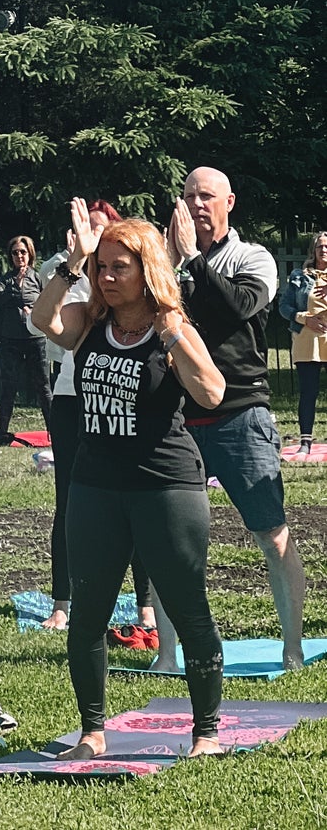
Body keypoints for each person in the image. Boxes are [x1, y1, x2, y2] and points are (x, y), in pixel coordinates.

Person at [30, 204, 225, 758]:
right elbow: (44, 320)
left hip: (167, 485)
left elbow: (212, 393)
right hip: (95, 486)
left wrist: (173, 334)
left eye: (119, 268)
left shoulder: (171, 327)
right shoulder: (92, 322)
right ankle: (92, 731)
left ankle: (205, 732)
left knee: (188, 610)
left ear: (147, 272)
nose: (107, 277)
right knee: (88, 612)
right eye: (102, 268)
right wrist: (72, 266)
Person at [156, 166, 305, 673]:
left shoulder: (252, 257)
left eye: (207, 196)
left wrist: (193, 259)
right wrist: (171, 259)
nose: (197, 204)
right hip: (177, 418)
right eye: (189, 196)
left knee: (271, 532)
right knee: (165, 538)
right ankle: (167, 653)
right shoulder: (166, 260)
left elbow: (237, 309)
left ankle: (291, 651)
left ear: (229, 202)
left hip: (241, 413)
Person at [30, 200, 156, 643]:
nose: (94, 239)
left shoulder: (132, 279)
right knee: (70, 502)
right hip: (72, 401)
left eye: (102, 232)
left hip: (127, 402)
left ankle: (146, 604)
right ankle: (62, 605)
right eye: (87, 233)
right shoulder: (74, 275)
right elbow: (40, 322)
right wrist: (75, 261)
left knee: (139, 501)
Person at [0, 236, 52, 439]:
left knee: (43, 386)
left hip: (37, 340)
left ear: (30, 254)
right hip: (11, 342)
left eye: (23, 252)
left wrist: (33, 311)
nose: (19, 256)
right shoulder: (5, 280)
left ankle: (54, 430)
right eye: (15, 252)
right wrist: (13, 290)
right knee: (7, 387)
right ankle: (2, 431)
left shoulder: (38, 277)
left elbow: (49, 300)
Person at [279, 231, 327, 450]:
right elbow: (284, 306)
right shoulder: (300, 276)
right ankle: (306, 441)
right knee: (308, 391)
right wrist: (304, 319)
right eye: (320, 247)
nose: (324, 250)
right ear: (313, 250)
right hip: (307, 341)